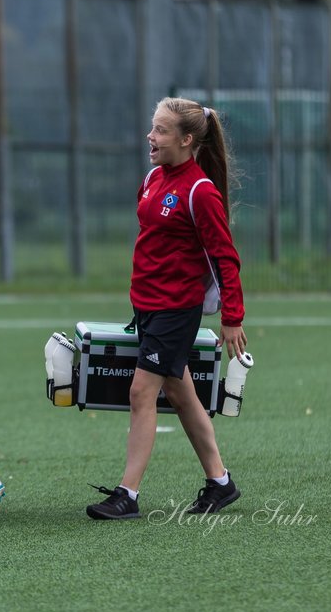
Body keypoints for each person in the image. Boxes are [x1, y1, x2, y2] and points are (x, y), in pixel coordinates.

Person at [85, 98, 246, 521]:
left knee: (142, 393)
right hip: (149, 307)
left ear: (186, 139)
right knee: (181, 392)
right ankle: (220, 482)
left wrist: (233, 317)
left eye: (160, 130)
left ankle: (127, 494)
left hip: (177, 309)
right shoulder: (154, 177)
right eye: (152, 128)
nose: (150, 137)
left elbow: (225, 257)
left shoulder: (200, 191)